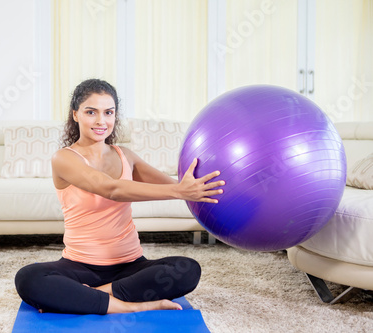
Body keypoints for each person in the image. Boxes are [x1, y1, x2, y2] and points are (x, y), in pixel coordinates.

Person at [15, 79, 225, 315]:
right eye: (91, 112)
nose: (101, 121)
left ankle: (88, 296)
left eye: (108, 112)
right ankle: (132, 306)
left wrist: (200, 187)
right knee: (28, 278)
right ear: (75, 115)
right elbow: (111, 189)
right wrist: (179, 191)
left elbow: (175, 185)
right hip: (79, 267)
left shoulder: (125, 155)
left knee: (187, 269)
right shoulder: (64, 159)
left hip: (130, 267)